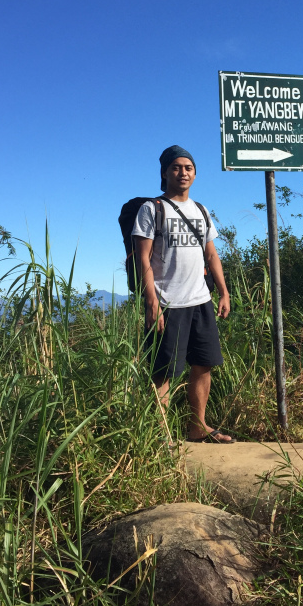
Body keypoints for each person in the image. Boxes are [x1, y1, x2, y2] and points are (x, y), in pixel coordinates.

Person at [131, 145, 234, 444]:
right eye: (176, 167)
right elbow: (143, 258)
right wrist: (152, 301)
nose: (183, 172)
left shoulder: (201, 211)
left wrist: (224, 292)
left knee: (204, 364)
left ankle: (198, 428)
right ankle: (160, 436)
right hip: (167, 301)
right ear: (164, 173)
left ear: (195, 174)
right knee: (163, 372)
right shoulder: (152, 209)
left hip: (201, 301)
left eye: (188, 167)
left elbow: (212, 255)